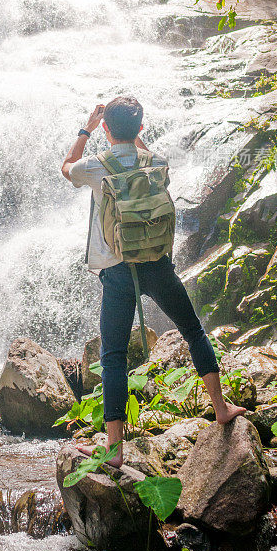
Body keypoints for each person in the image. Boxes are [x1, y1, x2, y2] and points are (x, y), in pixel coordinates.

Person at [61, 96, 245, 468]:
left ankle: (114, 451)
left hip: (116, 271)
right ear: (142, 129)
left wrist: (86, 129)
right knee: (193, 330)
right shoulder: (157, 163)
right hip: (158, 265)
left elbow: (66, 168)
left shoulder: (97, 166)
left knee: (112, 358)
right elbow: (147, 156)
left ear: (107, 129)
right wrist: (134, 139)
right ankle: (221, 409)